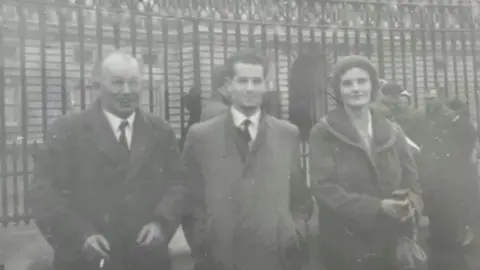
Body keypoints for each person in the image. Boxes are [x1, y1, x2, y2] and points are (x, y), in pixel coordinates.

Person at [29, 51, 189, 270]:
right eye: (117, 83)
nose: (126, 91)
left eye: (133, 82)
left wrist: (161, 223)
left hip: (147, 259)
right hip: (86, 260)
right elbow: (44, 194)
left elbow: (178, 184)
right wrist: (80, 236)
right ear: (99, 85)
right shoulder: (67, 131)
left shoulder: (160, 130)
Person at [183, 49, 313, 270]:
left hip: (275, 257)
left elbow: (299, 196)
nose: (250, 88)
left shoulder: (287, 133)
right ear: (229, 85)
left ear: (265, 85)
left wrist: (294, 232)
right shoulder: (201, 135)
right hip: (220, 257)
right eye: (242, 81)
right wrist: (201, 238)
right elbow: (189, 195)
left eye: (256, 81)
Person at [308, 56, 423, 270]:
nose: (356, 89)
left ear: (372, 86)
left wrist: (408, 205)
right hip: (345, 243)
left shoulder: (392, 130)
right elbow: (324, 188)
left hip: (390, 241)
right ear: (338, 90)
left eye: (362, 81)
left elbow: (412, 179)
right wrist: (378, 207)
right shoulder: (324, 132)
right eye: (347, 83)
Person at [413, 93, 480, 270]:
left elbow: (463, 151)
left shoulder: (463, 125)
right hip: (441, 185)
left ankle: (463, 238)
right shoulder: (442, 125)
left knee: (457, 217)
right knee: (442, 225)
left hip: (457, 181)